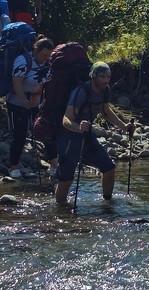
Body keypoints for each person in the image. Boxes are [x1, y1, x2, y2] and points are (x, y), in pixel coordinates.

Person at [55, 60, 137, 209]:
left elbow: (106, 112)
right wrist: (78, 127)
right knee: (66, 179)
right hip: (70, 137)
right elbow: (65, 120)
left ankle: (107, 204)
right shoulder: (81, 92)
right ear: (93, 76)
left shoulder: (105, 90)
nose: (106, 80)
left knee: (109, 168)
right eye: (102, 77)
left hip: (87, 137)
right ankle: (59, 210)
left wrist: (125, 127)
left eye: (108, 77)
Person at [8, 32, 53, 173]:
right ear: (35, 51)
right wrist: (23, 100)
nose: (46, 58)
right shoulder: (23, 60)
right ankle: (14, 166)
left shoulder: (48, 62)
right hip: (17, 102)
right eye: (44, 55)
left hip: (38, 101)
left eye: (48, 56)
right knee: (20, 135)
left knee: (46, 131)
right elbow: (16, 82)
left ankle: (55, 163)